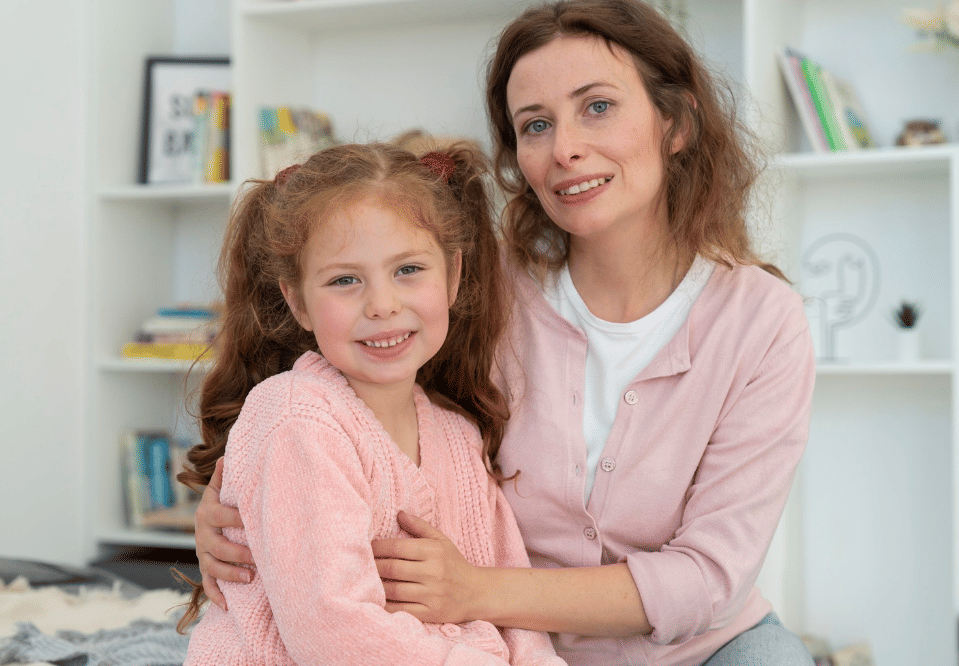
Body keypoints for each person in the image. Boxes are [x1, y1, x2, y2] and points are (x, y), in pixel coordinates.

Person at [192, 1, 817, 664]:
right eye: (535, 124)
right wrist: (233, 507)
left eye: (597, 106)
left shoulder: (763, 320)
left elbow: (709, 581)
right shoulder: (482, 289)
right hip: (510, 645)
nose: (566, 147)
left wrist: (476, 592)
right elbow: (331, 399)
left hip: (702, 646)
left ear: (677, 122)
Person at [178, 141, 567, 666]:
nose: (382, 304)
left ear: (453, 276)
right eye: (345, 280)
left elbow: (508, 593)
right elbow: (332, 632)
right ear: (298, 302)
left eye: (408, 270)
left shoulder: (458, 435)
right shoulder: (298, 420)